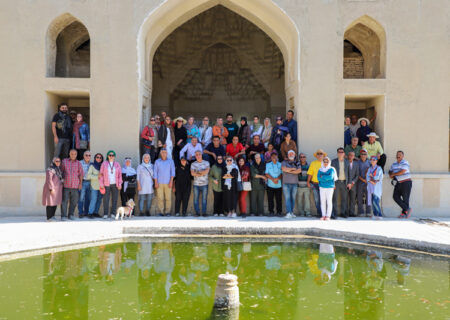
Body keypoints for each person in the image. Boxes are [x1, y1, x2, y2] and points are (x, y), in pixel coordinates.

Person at [61, 149, 83, 220]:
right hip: (66, 185)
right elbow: (61, 172)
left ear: (76, 155)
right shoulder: (64, 161)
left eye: (75, 154)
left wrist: (80, 184)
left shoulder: (78, 163)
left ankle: (71, 215)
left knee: (74, 201)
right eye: (72, 154)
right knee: (64, 201)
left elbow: (81, 174)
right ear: (69, 154)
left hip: (75, 186)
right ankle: (63, 216)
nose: (73, 155)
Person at [99, 150, 122, 219]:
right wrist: (101, 184)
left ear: (114, 156)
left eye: (112, 155)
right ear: (107, 156)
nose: (111, 156)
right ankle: (105, 214)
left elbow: (120, 175)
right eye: (110, 155)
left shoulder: (117, 164)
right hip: (106, 184)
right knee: (106, 199)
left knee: (114, 199)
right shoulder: (104, 163)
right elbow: (101, 175)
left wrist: (120, 184)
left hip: (115, 184)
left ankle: (113, 213)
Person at [389, 151, 412, 218]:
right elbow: (390, 170)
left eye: (400, 155)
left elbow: (402, 171)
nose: (398, 156)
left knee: (405, 199)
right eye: (397, 155)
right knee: (395, 196)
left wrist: (394, 174)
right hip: (398, 183)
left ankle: (403, 214)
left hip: (406, 182)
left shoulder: (405, 162)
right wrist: (390, 174)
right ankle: (407, 209)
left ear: (403, 156)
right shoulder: (394, 164)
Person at [153, 148, 175, 216]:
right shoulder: (157, 162)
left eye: (165, 152)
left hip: (168, 182)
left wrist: (171, 182)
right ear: (160, 153)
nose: (164, 153)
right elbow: (155, 173)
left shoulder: (170, 161)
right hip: (159, 183)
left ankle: (168, 212)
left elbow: (172, 172)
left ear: (167, 153)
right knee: (160, 198)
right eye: (162, 152)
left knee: (168, 198)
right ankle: (161, 212)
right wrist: (156, 182)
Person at [281, 150, 302, 219]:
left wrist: (289, 171)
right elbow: (283, 169)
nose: (291, 155)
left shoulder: (297, 162)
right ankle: (288, 213)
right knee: (287, 198)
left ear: (294, 154)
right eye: (289, 153)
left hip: (294, 183)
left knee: (293, 198)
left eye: (292, 153)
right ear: (287, 155)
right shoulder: (284, 162)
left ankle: (291, 213)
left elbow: (299, 171)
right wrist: (293, 169)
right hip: (286, 183)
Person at [42, 157, 63, 221]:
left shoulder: (58, 169)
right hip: (51, 189)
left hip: (57, 189)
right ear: (53, 162)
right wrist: (51, 188)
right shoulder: (50, 169)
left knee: (55, 203)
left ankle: (53, 216)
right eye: (56, 161)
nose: (58, 162)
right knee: (50, 203)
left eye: (59, 161)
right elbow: (49, 180)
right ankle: (49, 217)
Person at [307, 149, 327, 217]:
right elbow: (310, 173)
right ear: (316, 156)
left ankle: (324, 213)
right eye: (318, 154)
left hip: (324, 184)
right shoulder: (313, 163)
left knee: (324, 199)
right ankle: (319, 213)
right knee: (317, 199)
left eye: (321, 154)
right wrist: (308, 182)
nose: (319, 155)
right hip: (315, 184)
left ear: (323, 155)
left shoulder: (325, 163)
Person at [331, 147, 349, 219]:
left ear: (344, 153)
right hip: (336, 182)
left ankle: (343, 213)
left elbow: (349, 173)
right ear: (337, 153)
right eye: (339, 152)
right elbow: (331, 173)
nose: (341, 153)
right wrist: (332, 183)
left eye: (342, 152)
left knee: (344, 199)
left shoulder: (347, 162)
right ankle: (334, 213)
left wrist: (349, 182)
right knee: (335, 198)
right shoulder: (333, 161)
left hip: (345, 182)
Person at [191, 151, 210, 217]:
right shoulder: (193, 164)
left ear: (201, 155)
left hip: (205, 184)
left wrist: (197, 172)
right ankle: (197, 213)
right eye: (196, 155)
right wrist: (202, 172)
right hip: (196, 184)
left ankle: (204, 213)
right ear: (195, 156)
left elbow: (207, 172)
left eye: (199, 154)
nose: (198, 156)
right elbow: (192, 173)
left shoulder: (206, 163)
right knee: (195, 199)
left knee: (204, 199)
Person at [265, 152, 282, 216]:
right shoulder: (268, 164)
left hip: (278, 185)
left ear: (277, 157)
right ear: (271, 157)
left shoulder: (280, 164)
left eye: (275, 156)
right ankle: (271, 212)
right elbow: (266, 173)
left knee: (279, 200)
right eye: (272, 156)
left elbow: (282, 174)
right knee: (270, 199)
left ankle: (279, 212)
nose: (274, 157)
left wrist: (277, 179)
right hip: (270, 185)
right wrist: (273, 179)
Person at [87, 153, 103, 218]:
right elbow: (88, 176)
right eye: (97, 157)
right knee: (93, 200)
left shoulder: (103, 166)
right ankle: (90, 213)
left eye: (100, 158)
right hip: (94, 186)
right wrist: (97, 176)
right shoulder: (92, 166)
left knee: (99, 200)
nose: (98, 159)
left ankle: (95, 212)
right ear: (95, 158)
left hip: (101, 186)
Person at [356, 149, 371, 217]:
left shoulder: (370, 162)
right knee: (359, 197)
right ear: (360, 155)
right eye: (362, 154)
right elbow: (356, 173)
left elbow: (372, 172)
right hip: (360, 182)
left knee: (368, 198)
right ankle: (360, 212)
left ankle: (368, 212)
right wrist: (363, 179)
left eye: (365, 154)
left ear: (367, 155)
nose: (363, 155)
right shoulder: (357, 163)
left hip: (368, 183)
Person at [78, 150, 92, 218]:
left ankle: (86, 212)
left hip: (90, 182)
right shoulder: (79, 163)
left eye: (89, 155)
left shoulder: (92, 164)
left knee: (88, 198)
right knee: (81, 198)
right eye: (86, 155)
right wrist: (79, 183)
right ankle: (80, 212)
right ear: (83, 156)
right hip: (82, 182)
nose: (88, 156)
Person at [347, 151, 360, 217]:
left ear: (354, 157)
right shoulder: (345, 163)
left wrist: (352, 182)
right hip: (346, 184)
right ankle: (345, 212)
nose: (351, 156)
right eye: (350, 155)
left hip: (353, 185)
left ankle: (352, 212)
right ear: (348, 156)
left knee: (352, 199)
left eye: (352, 155)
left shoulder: (356, 164)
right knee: (345, 199)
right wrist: (348, 183)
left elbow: (357, 175)